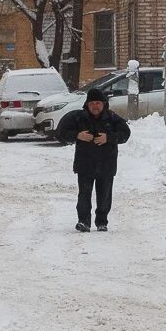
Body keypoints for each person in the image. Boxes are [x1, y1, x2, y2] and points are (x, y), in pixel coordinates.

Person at [56, 89, 130, 232]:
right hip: (85, 164)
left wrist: (108, 138)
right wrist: (78, 135)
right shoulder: (78, 118)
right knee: (84, 194)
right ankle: (83, 221)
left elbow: (125, 134)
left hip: (106, 164)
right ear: (87, 104)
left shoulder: (112, 118)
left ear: (103, 104)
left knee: (104, 195)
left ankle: (102, 222)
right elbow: (61, 133)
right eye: (92, 103)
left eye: (98, 103)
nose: (95, 106)